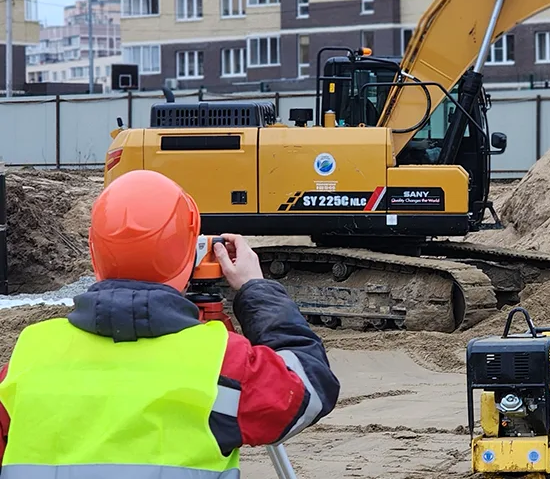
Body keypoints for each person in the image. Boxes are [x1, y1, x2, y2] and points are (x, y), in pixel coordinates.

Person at [0, 170, 340, 477]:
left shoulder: (29, 354)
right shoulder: (222, 361)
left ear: (95, 251)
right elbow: (308, 387)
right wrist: (256, 289)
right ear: (189, 251)